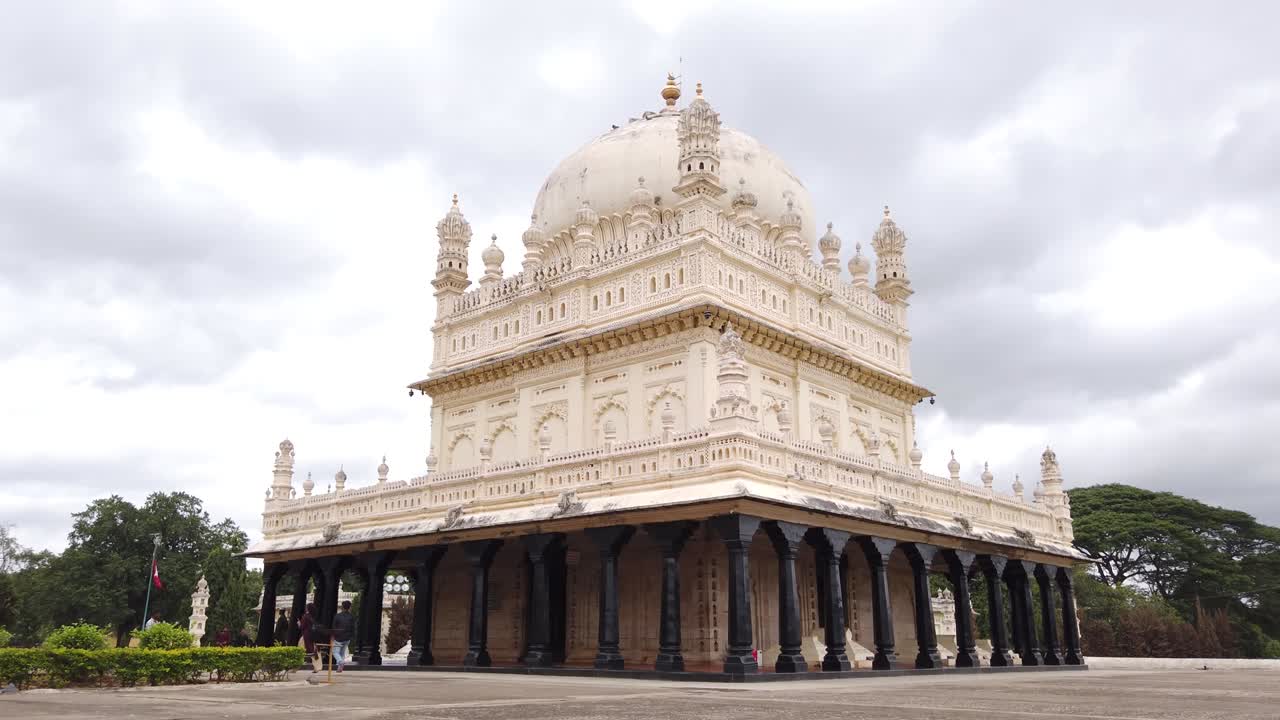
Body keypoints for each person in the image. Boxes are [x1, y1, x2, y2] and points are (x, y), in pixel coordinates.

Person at [330, 600, 355, 672]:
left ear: (342, 607)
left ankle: (340, 662)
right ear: (350, 607)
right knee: (342, 653)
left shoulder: (337, 616)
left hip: (338, 637)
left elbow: (334, 627)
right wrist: (351, 637)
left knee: (335, 652)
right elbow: (353, 628)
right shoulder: (351, 617)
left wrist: (333, 637)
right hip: (347, 638)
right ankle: (340, 668)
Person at [299, 603, 318, 670]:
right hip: (312, 634)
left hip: (306, 635)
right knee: (311, 648)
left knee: (302, 648)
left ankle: (305, 662)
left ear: (307, 608)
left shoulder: (305, 616)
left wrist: (299, 624)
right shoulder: (312, 616)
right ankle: (315, 664)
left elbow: (302, 627)